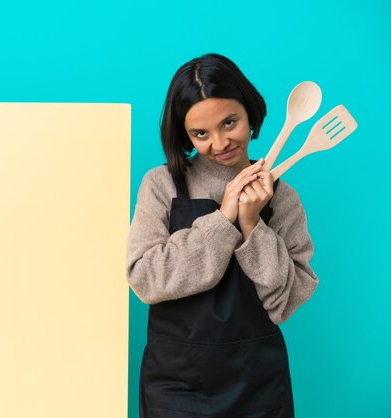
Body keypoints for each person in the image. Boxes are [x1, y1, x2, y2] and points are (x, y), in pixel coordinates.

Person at [126, 53, 319, 418]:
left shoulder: (283, 197)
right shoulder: (161, 184)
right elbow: (144, 279)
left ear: (250, 113)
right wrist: (224, 216)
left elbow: (286, 301)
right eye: (200, 133)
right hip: (175, 384)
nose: (219, 143)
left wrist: (251, 224)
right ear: (184, 134)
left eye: (229, 122)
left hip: (257, 382)